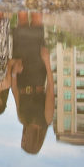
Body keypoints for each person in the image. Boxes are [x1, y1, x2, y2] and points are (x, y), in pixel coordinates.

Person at [10, 11, 54, 155]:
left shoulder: (22, 118)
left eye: (21, 140)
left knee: (21, 21)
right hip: (37, 71)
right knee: (37, 21)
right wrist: (47, 62)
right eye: (24, 141)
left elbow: (15, 92)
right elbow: (50, 90)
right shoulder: (46, 120)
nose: (22, 138)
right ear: (33, 142)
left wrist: (14, 72)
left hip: (22, 70)